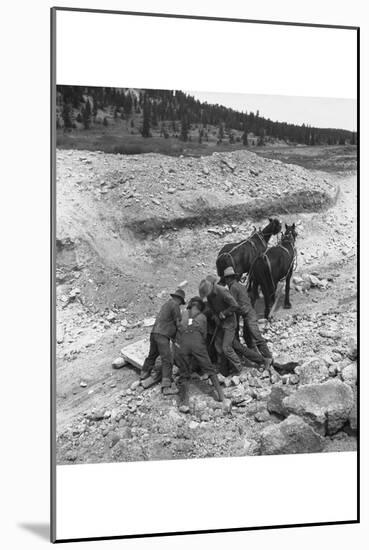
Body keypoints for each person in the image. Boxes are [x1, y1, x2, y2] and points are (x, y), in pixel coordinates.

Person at [174, 296, 230, 413]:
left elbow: (177, 328)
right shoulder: (203, 317)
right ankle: (221, 396)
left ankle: (184, 402)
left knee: (184, 373)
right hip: (197, 344)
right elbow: (204, 336)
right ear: (200, 307)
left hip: (182, 345)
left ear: (190, 305)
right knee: (209, 369)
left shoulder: (183, 313)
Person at [223, 266, 273, 370]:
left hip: (248, 315)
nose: (226, 282)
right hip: (249, 313)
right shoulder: (240, 286)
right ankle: (260, 358)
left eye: (226, 280)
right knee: (249, 337)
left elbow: (233, 304)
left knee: (256, 337)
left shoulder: (233, 288)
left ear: (228, 279)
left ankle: (268, 358)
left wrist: (225, 312)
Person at [140, 288, 185, 395]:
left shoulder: (166, 304)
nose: (180, 304)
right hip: (162, 336)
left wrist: (173, 337)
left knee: (152, 355)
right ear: (179, 299)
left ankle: (143, 374)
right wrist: (183, 335)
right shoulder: (175, 305)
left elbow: (168, 323)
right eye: (181, 302)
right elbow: (178, 323)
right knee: (167, 359)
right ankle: (166, 386)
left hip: (154, 333)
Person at [199, 275, 242, 375]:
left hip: (230, 323)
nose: (207, 296)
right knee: (217, 345)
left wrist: (224, 313)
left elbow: (235, 306)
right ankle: (223, 368)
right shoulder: (209, 295)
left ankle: (238, 367)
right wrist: (215, 316)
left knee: (226, 348)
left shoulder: (222, 291)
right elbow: (211, 306)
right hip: (221, 323)